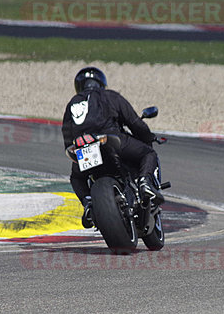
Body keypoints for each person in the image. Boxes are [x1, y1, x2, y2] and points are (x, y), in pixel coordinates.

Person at [62, 67, 163, 228]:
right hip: (109, 140)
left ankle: (88, 203)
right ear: (102, 83)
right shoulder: (109, 96)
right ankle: (144, 183)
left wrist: (74, 149)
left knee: (77, 177)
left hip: (82, 147)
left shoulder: (72, 103)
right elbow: (134, 122)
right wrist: (149, 137)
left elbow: (66, 135)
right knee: (148, 154)